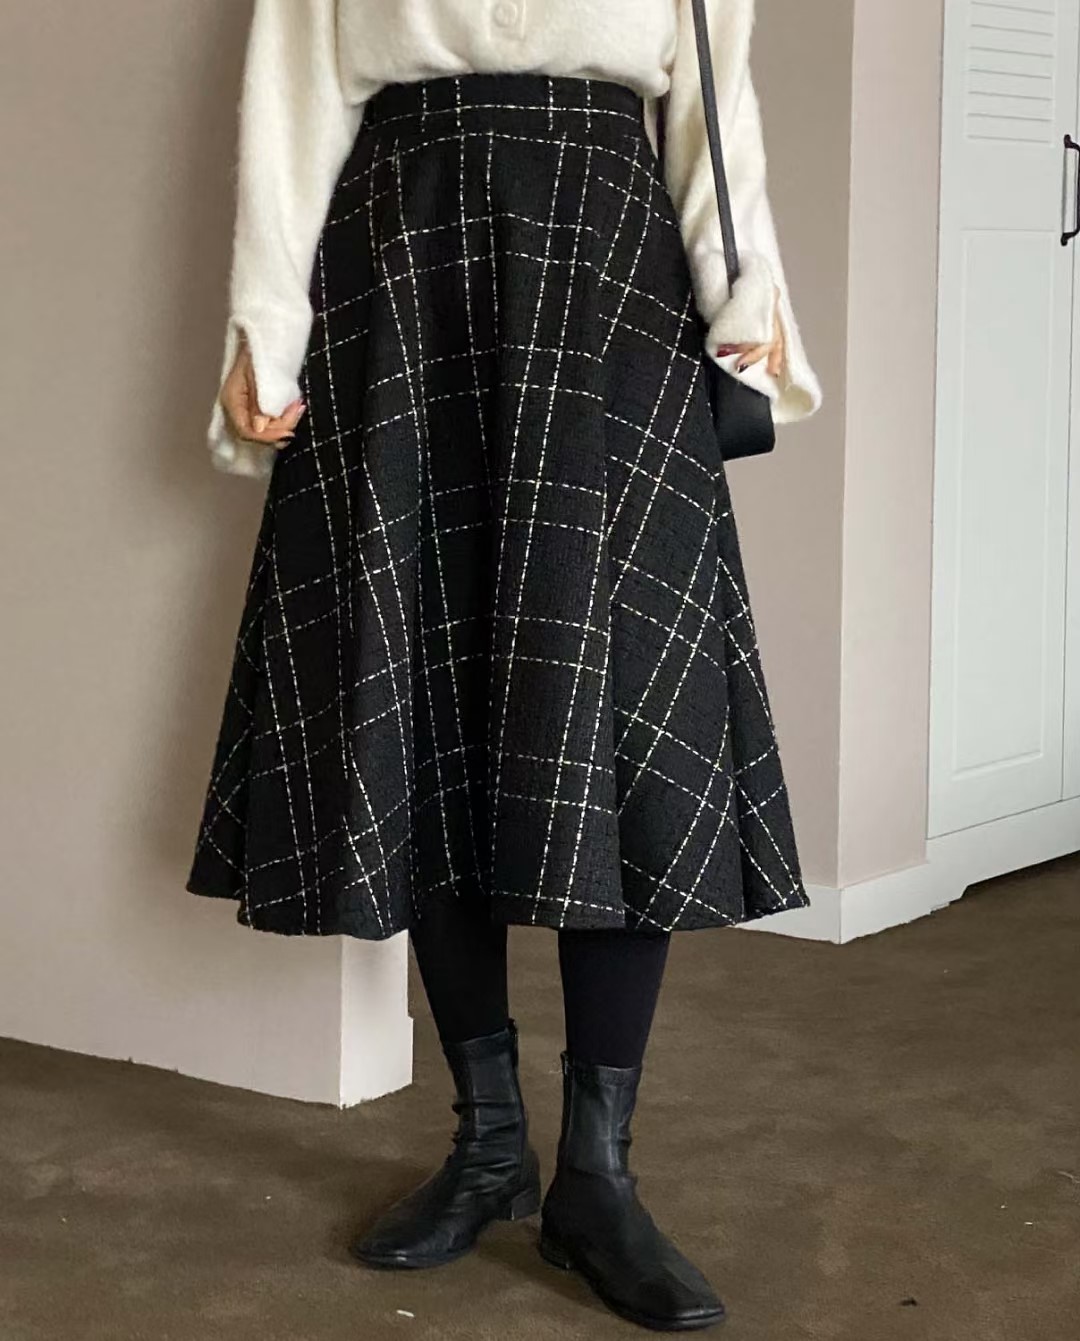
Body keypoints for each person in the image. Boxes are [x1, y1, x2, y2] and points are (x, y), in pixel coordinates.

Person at [186, 0, 821, 1330]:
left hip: (610, 267)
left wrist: (746, 287)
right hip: (402, 259)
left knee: (620, 706)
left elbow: (714, 107)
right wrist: (263, 323)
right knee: (425, 695)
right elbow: (293, 98)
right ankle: (487, 1144)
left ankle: (598, 1174)